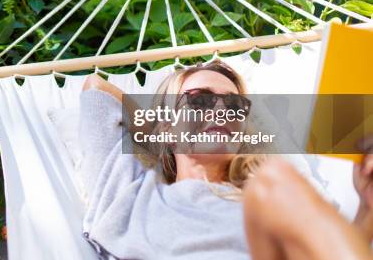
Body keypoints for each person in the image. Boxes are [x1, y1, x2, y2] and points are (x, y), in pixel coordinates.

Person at [80, 60, 372, 260]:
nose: (221, 109)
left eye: (234, 105)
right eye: (200, 99)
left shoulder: (273, 196)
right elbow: (95, 88)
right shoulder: (133, 196)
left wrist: (367, 208)